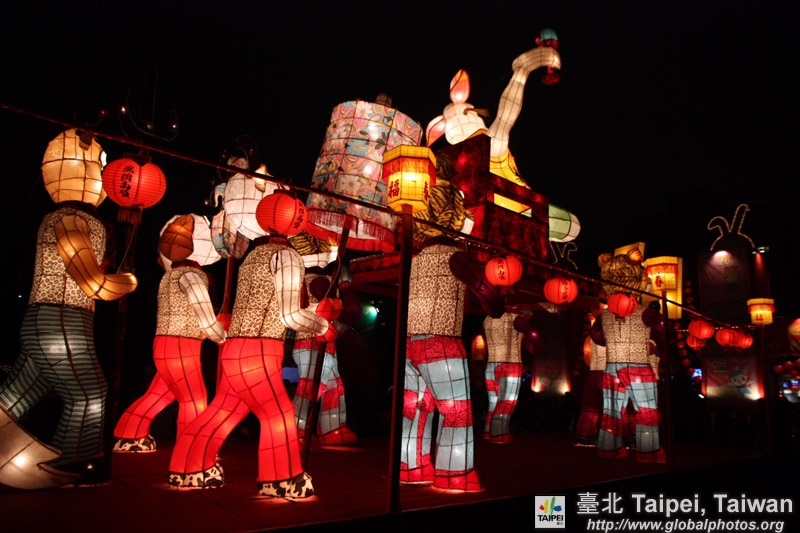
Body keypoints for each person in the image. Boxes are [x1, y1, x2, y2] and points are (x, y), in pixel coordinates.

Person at [167, 171, 333, 499]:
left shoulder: (252, 257)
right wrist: (323, 327)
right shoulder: (288, 257)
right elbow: (290, 315)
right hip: (261, 350)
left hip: (234, 349)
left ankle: (186, 467)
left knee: (224, 411)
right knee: (279, 415)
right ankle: (282, 478)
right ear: (297, 220)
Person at [0, 129, 138, 488]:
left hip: (43, 319)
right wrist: (126, 282)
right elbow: (92, 283)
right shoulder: (71, 220)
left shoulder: (64, 218)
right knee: (90, 393)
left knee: (18, 393)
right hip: (63, 319)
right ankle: (73, 462)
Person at [112, 214, 226, 453]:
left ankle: (129, 432)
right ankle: (192, 449)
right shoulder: (192, 275)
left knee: (160, 393)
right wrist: (222, 335)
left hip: (163, 342)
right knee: (194, 398)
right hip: (183, 345)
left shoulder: (168, 276)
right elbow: (205, 317)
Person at [401, 235, 503, 491]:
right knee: (456, 411)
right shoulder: (455, 257)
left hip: (409, 345)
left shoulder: (413, 262)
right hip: (441, 342)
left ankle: (411, 467)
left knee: (415, 410)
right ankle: (454, 472)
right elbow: (490, 298)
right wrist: (496, 304)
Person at [590, 252, 665, 462]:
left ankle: (608, 448)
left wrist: (615, 341)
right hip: (639, 368)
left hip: (612, 368)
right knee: (646, 410)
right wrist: (655, 345)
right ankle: (648, 451)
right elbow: (666, 331)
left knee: (611, 411)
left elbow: (596, 336)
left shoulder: (604, 316)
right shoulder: (645, 313)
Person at [291, 260, 361, 446]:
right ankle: (295, 429)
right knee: (311, 386)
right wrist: (345, 286)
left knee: (333, 386)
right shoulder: (314, 280)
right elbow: (349, 312)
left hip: (327, 341)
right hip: (311, 340)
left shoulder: (326, 280)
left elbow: (347, 314)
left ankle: (332, 427)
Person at [482, 311, 526, 443]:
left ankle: (488, 431)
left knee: (493, 402)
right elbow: (534, 338)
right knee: (507, 402)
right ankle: (499, 433)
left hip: (491, 365)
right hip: (511, 364)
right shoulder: (516, 319)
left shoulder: (487, 319)